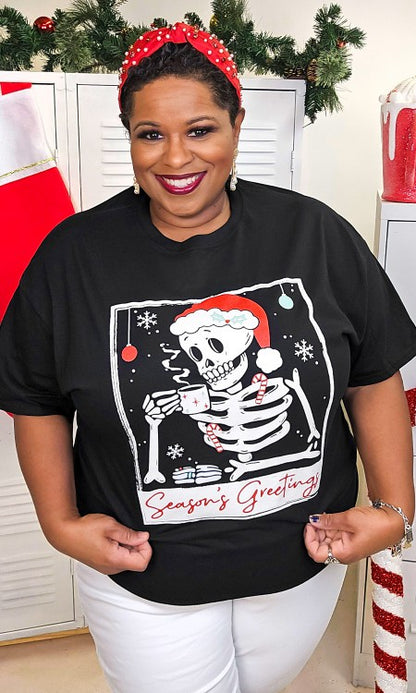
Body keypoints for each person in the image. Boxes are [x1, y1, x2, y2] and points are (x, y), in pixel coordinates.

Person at [0, 21, 415, 693]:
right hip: (142, 572)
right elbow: (35, 398)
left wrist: (395, 510)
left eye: (200, 130)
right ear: (128, 134)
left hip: (304, 560)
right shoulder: (72, 256)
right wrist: (59, 524)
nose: (175, 159)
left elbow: (373, 374)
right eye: (150, 134)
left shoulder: (314, 234)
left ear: (236, 124)